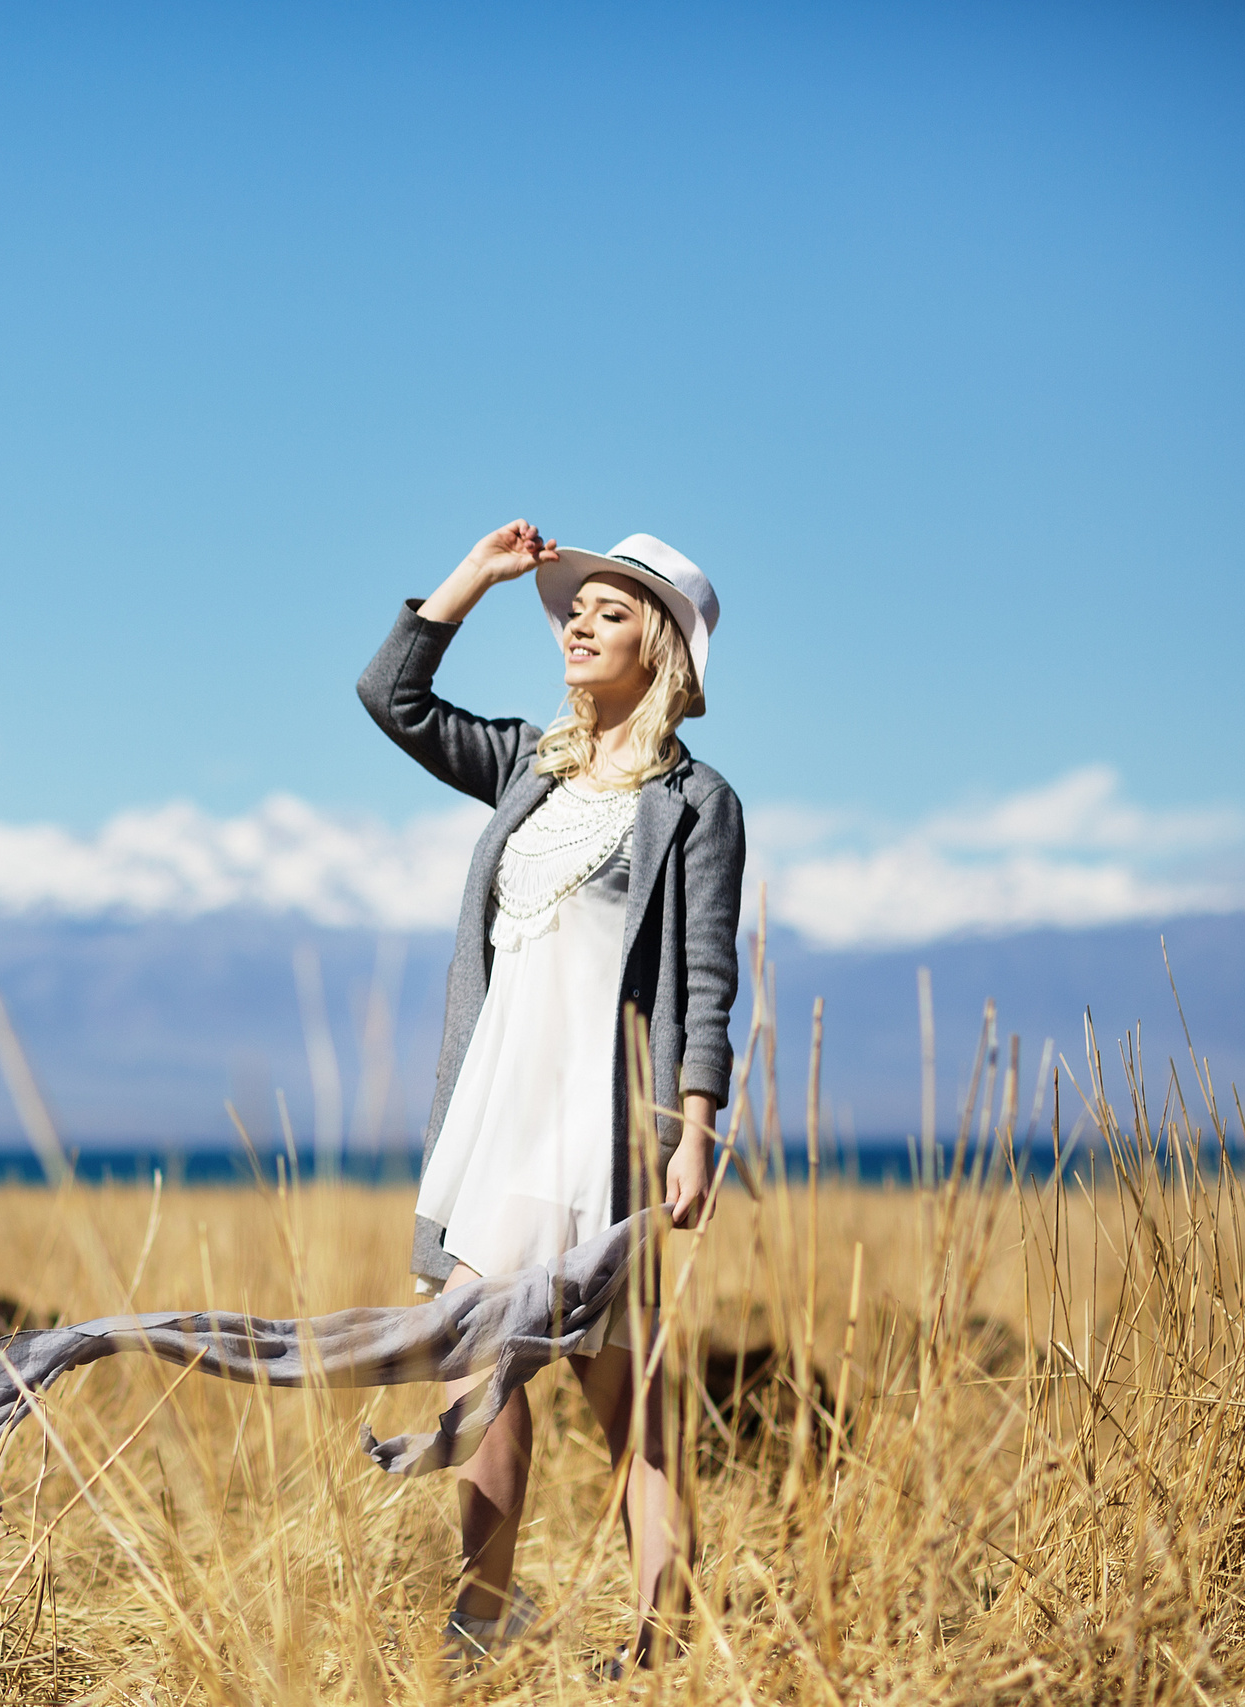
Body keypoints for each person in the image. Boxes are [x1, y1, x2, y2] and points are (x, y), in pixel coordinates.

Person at [356, 519, 745, 1671]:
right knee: (482, 1369)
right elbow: (393, 697)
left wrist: (695, 1128)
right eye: (577, 607)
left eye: (611, 610)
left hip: (603, 1125)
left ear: (662, 648)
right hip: (498, 1113)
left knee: (623, 1398)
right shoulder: (529, 762)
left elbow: (709, 974)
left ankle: (664, 1633)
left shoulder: (696, 802)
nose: (579, 620)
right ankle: (481, 1621)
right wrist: (472, 577)